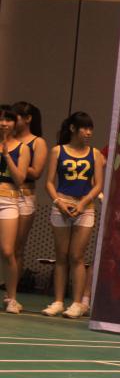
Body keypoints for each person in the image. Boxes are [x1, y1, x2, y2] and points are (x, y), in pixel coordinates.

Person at [42, 112, 104, 318]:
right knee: (61, 256)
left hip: (85, 208)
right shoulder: (57, 151)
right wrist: (58, 202)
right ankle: (58, 301)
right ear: (73, 129)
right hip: (61, 204)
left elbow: (98, 185)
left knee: (77, 256)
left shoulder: (95, 154)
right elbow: (49, 182)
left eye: (90, 128)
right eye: (84, 128)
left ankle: (77, 303)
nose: (88, 132)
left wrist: (83, 203)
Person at [12, 101, 46, 293]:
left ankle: (11, 290)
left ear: (27, 119)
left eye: (14, 117)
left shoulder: (37, 142)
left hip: (24, 196)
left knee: (16, 247)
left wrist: (17, 163)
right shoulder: (7, 139)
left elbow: (37, 172)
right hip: (4, 192)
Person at [0, 105, 29, 313]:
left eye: (8, 119)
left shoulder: (22, 148)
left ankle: (11, 298)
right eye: (1, 119)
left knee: (8, 250)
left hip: (9, 200)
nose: (4, 123)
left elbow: (20, 179)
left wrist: (7, 155)